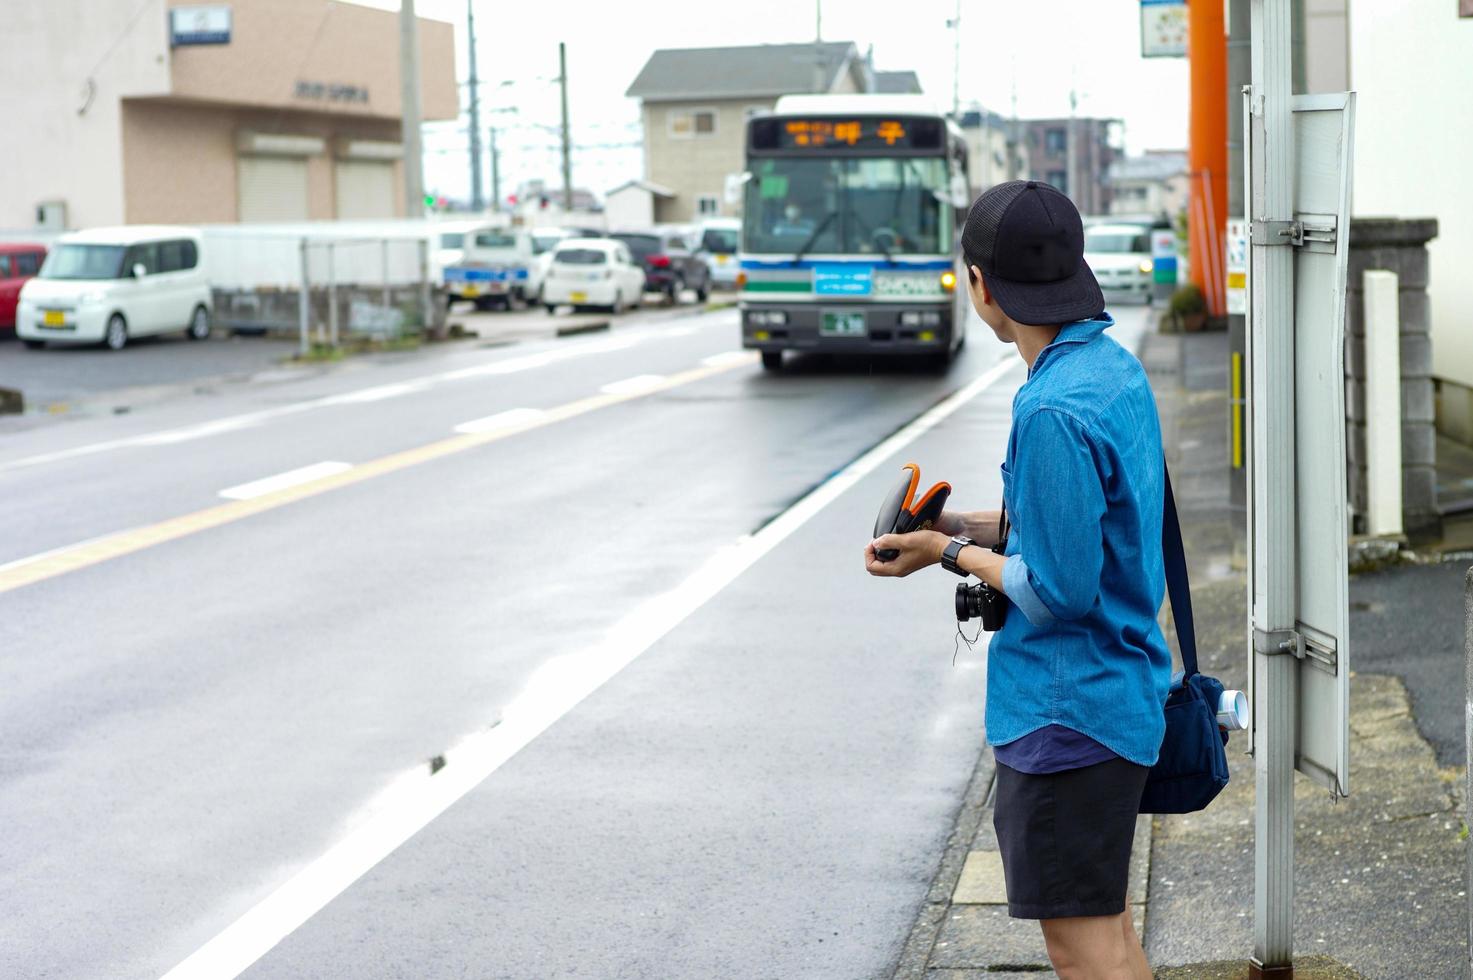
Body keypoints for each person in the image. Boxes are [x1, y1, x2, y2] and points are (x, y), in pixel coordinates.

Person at [864, 180, 1171, 980]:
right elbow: (1089, 531)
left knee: (1082, 948)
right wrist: (959, 526)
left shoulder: (1047, 411)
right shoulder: (1108, 370)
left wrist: (944, 555)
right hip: (1119, 693)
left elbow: (1058, 590)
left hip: (1068, 715)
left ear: (980, 285)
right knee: (1106, 930)